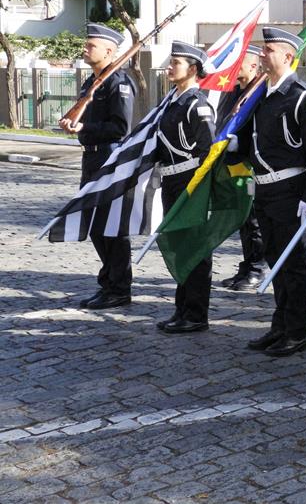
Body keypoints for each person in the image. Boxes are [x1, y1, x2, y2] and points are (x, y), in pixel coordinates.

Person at [231, 27, 306, 356]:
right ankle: (280, 325)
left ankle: (297, 332)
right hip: (264, 190)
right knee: (275, 260)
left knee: (294, 264)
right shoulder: (261, 95)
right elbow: (250, 143)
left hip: (290, 189)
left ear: (288, 56)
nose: (261, 53)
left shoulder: (301, 96)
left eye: (268, 49)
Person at [61, 23, 135, 310]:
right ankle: (109, 282)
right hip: (90, 157)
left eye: (90, 45)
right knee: (94, 225)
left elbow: (120, 127)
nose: (85, 49)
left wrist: (85, 126)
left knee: (111, 226)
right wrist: (75, 126)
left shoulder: (118, 83)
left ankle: (119, 288)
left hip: (109, 158)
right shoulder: (90, 82)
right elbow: (87, 122)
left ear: (109, 50)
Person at [153, 42, 217, 333]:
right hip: (171, 181)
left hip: (190, 183)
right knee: (180, 248)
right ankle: (182, 309)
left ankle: (196, 313)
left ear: (192, 70)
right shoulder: (172, 101)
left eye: (175, 63)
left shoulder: (197, 104)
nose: (169, 66)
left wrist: (199, 191)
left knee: (195, 249)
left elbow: (208, 151)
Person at [218, 46, 268, 291]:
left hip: (251, 163)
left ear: (253, 66)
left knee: (255, 219)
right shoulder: (234, 91)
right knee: (244, 219)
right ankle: (247, 264)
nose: (236, 69)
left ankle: (258, 267)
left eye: (241, 65)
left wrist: (241, 144)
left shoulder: (260, 92)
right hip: (233, 163)